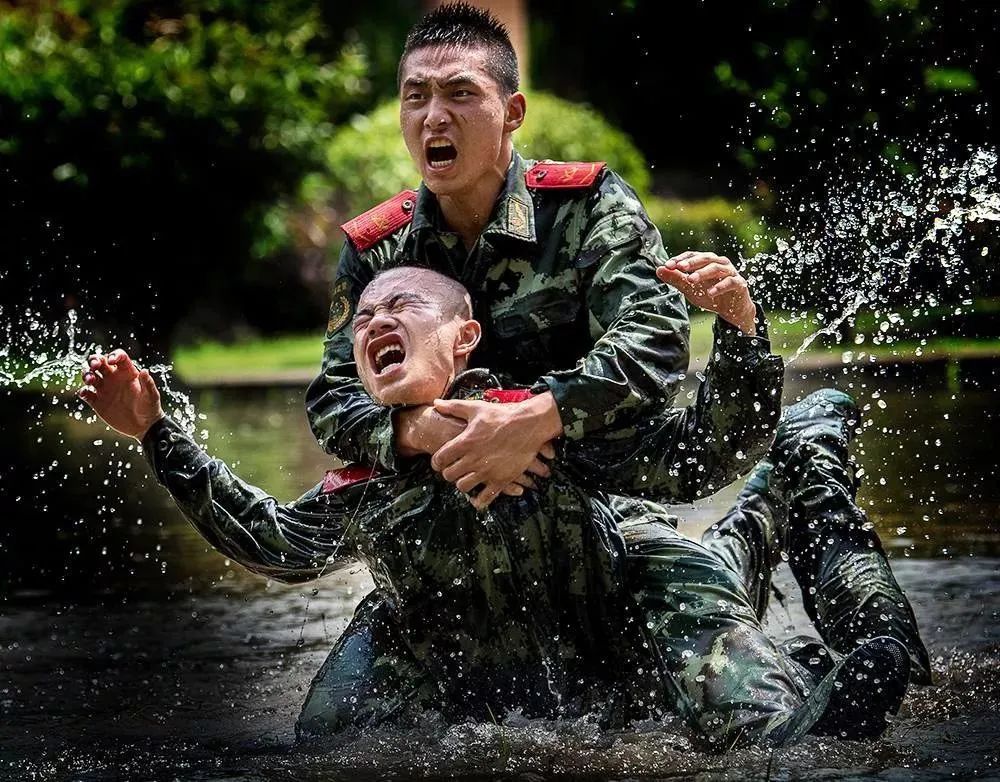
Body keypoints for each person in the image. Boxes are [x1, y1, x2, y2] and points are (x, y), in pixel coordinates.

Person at [302, 1, 929, 747]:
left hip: (611, 512)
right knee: (330, 742)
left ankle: (846, 606)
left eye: (460, 93)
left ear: (512, 111)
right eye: (416, 97)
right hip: (450, 551)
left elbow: (656, 335)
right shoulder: (377, 249)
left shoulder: (589, 203)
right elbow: (333, 398)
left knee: (759, 724)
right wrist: (420, 428)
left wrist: (537, 417)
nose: (434, 116)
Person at [82, 266, 921, 749]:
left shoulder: (540, 421)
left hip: (633, 599)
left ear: (465, 339)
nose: (377, 321)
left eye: (401, 307)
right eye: (365, 315)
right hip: (481, 665)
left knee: (740, 548)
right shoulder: (366, 482)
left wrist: (739, 333)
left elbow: (699, 456)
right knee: (328, 746)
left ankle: (805, 455)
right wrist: (158, 432)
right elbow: (272, 545)